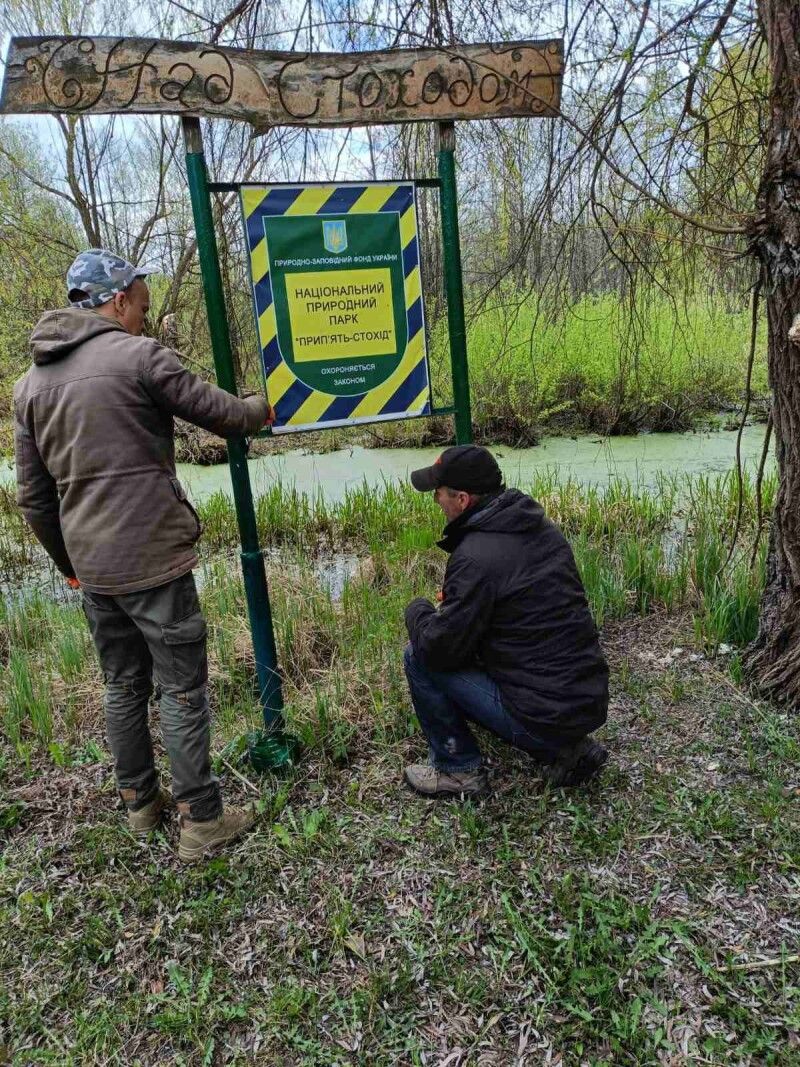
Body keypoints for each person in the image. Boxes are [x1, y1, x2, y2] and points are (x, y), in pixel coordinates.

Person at [14, 249, 270, 862]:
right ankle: (201, 821)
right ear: (118, 299)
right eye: (142, 308)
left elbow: (33, 499)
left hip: (94, 570)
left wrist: (70, 565)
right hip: (153, 560)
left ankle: (139, 806)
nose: (144, 321)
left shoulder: (29, 386)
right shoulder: (138, 358)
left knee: (123, 686)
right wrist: (266, 404)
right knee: (182, 690)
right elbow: (226, 416)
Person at [403, 445, 609, 796]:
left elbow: (440, 651)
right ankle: (568, 746)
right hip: (585, 699)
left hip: (543, 712)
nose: (436, 498)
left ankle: (458, 769)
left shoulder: (475, 558)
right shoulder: (540, 527)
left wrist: (418, 611)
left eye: (439, 492)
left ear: (463, 499)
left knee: (417, 655)